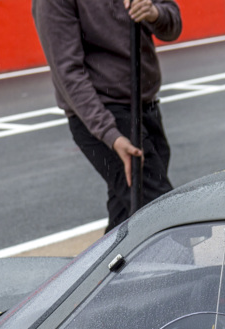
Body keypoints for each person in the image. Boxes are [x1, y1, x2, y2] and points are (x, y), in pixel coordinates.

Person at [33, 0, 182, 231]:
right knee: (164, 216)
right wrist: (110, 135)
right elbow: (68, 73)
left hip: (145, 106)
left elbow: (172, 25)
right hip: (103, 115)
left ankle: (110, 267)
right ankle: (185, 267)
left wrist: (153, 13)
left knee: (125, 222)